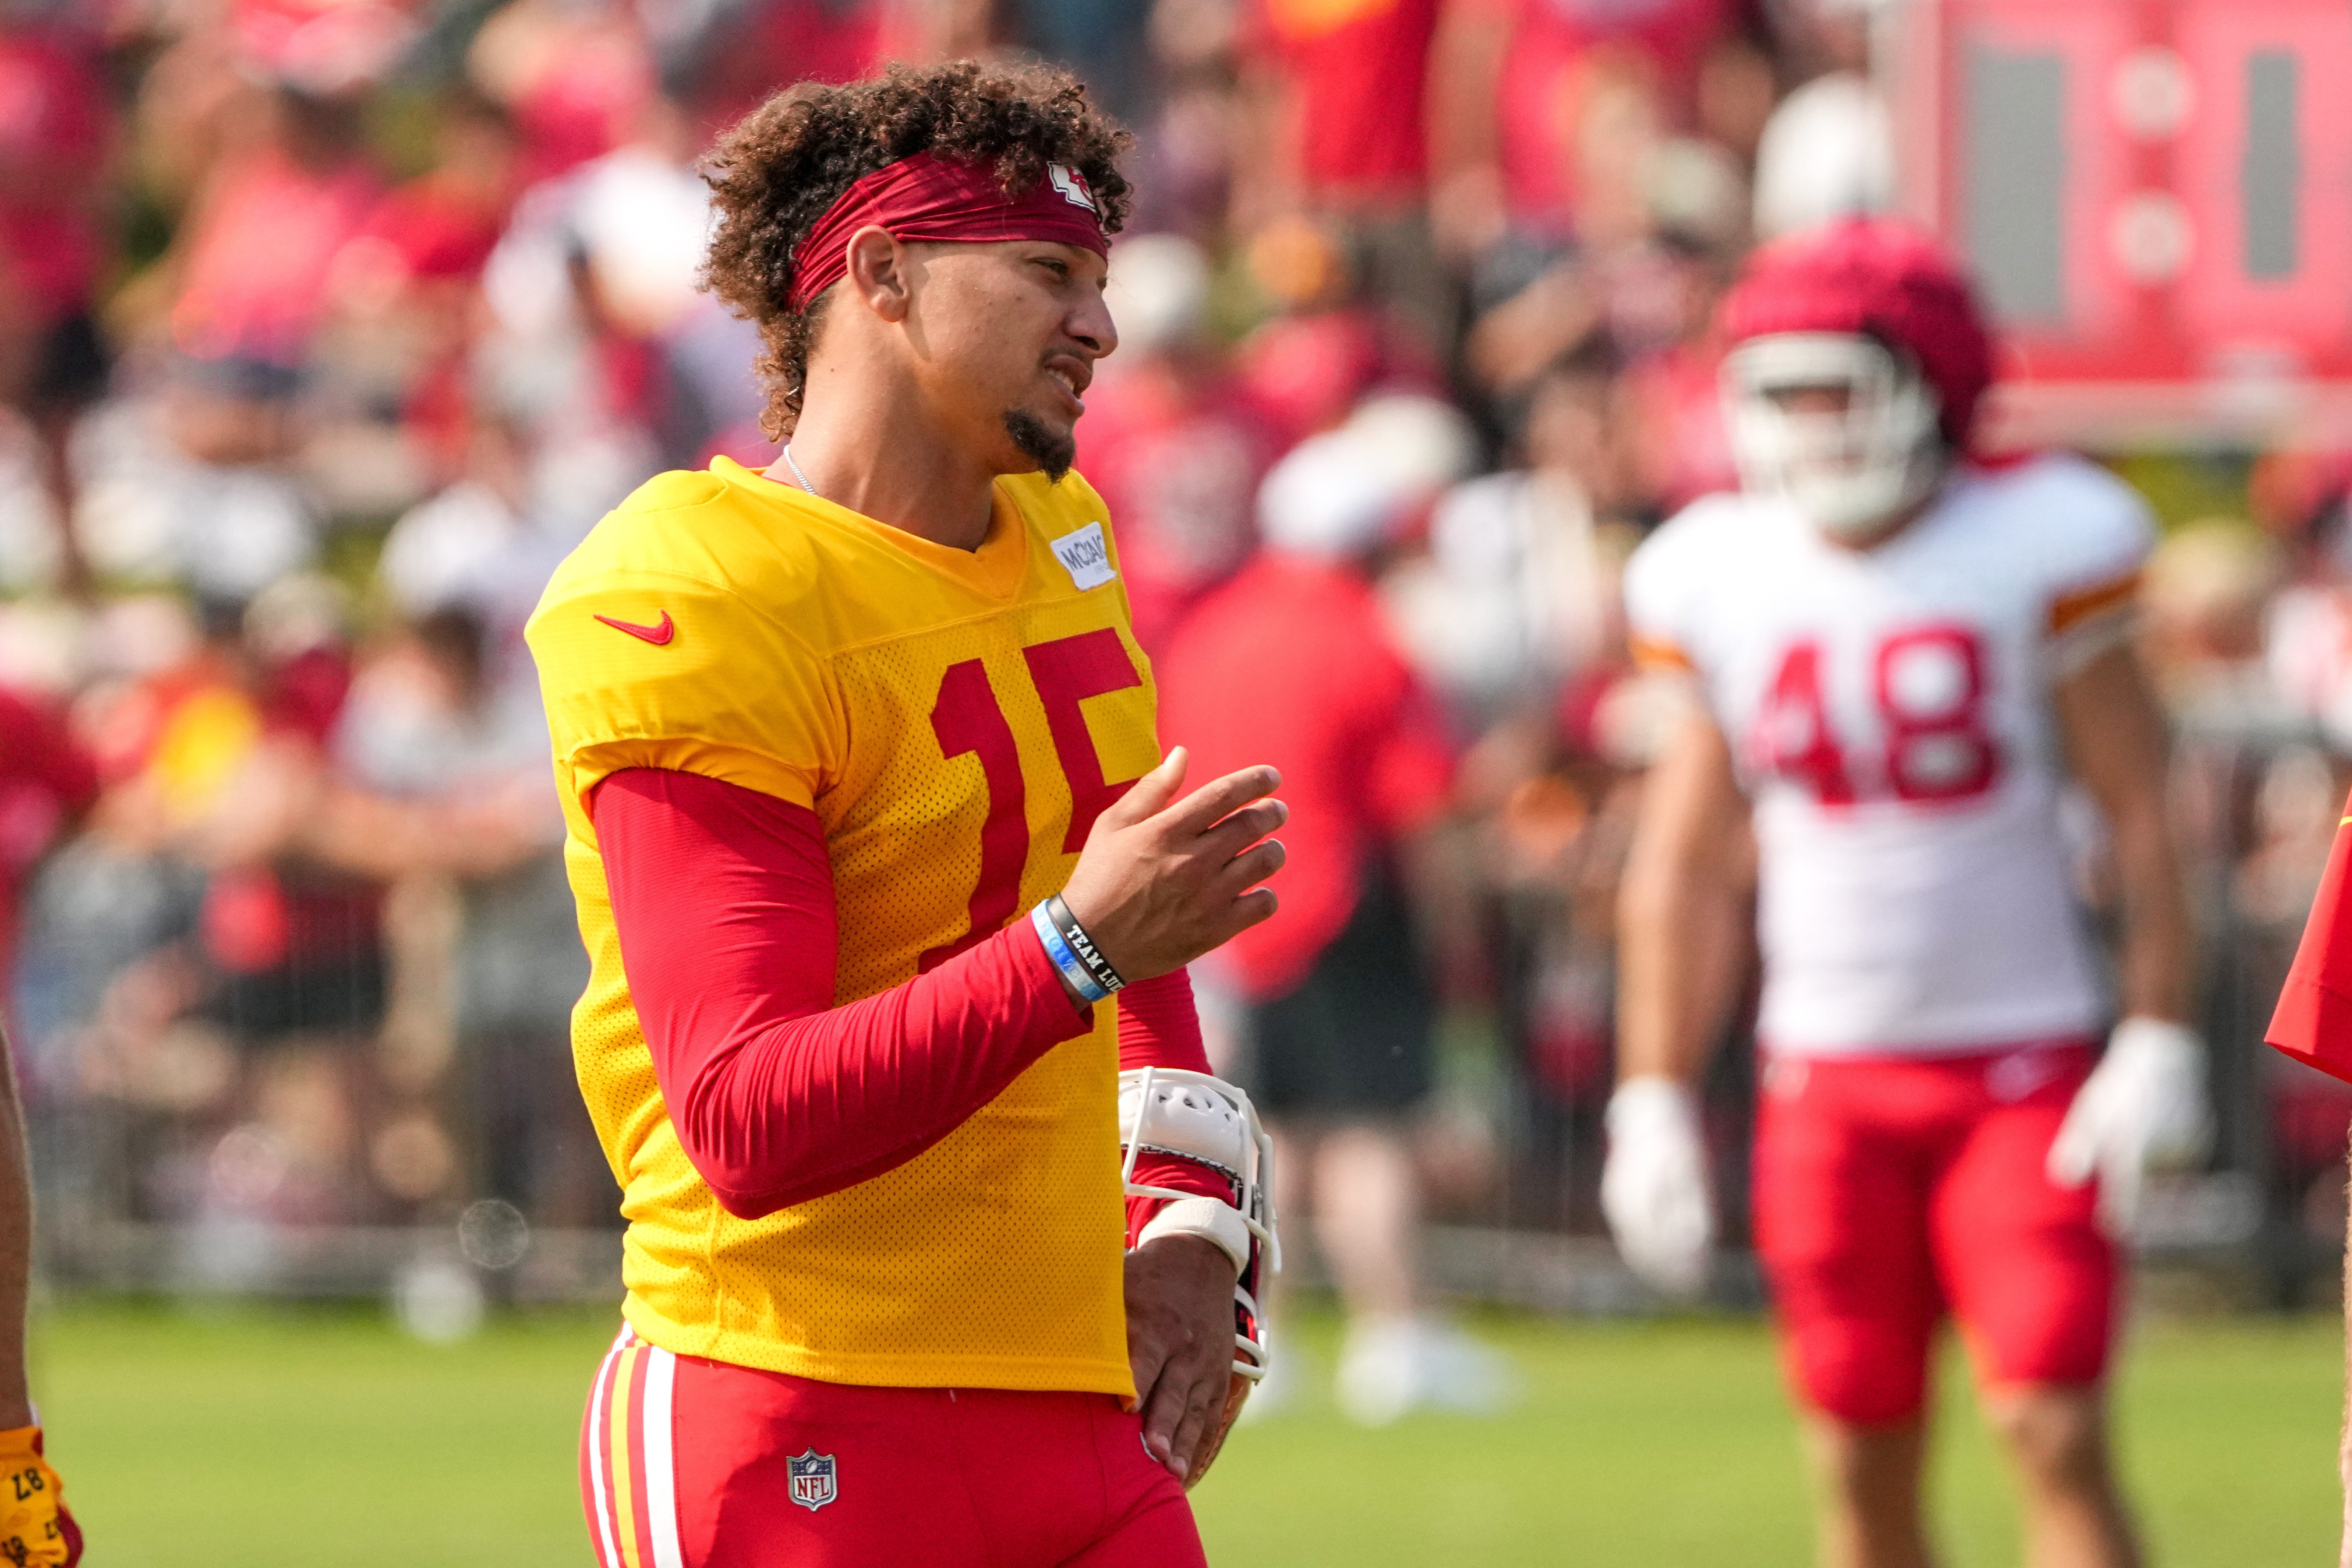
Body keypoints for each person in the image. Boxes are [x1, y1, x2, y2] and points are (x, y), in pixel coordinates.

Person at [525, 62, 1284, 1566]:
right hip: (789, 1391)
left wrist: (1188, 1213)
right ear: (882, 272)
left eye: (1102, 276)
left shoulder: (1059, 527)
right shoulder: (698, 582)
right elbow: (745, 1116)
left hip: (1071, 1384)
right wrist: (1075, 948)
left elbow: (1142, 911)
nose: (1101, 323)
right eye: (1046, 271)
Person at [1605, 219, 2209, 1568]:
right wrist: (1648, 1092)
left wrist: (2157, 1027)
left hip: (2019, 1060)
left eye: (1840, 387)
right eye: (1785, 392)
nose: (1814, 424)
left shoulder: (2039, 537)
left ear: (1926, 382)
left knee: (2053, 1426)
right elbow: (1684, 864)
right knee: (1857, 1461)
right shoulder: (1720, 569)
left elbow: (2145, 817)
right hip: (1823, 1077)